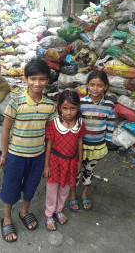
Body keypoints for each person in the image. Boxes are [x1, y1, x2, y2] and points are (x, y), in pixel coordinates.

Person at [0, 58, 56, 242]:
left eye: (42, 79)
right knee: (10, 186)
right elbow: (6, 130)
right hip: (16, 155)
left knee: (31, 186)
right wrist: (4, 154)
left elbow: (49, 137)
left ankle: (24, 211)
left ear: (47, 80)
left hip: (37, 156)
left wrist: (46, 162)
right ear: (25, 79)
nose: (37, 83)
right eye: (33, 79)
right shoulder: (16, 101)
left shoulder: (50, 105)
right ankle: (7, 217)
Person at [69, 70, 115, 212]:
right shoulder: (81, 103)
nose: (95, 89)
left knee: (89, 171)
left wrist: (106, 142)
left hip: (97, 146)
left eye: (99, 85)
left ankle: (84, 194)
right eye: (92, 85)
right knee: (76, 171)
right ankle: (72, 195)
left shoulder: (109, 105)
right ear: (87, 85)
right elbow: (74, 123)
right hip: (80, 146)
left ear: (105, 87)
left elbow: (110, 125)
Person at [43, 90, 86, 231]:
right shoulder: (53, 124)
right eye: (65, 108)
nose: (69, 112)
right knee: (52, 190)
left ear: (78, 108)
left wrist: (79, 161)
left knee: (65, 188)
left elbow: (80, 142)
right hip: (55, 162)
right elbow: (48, 144)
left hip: (71, 162)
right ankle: (49, 214)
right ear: (59, 108)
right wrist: (46, 165)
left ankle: (58, 210)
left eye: (72, 108)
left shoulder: (79, 123)